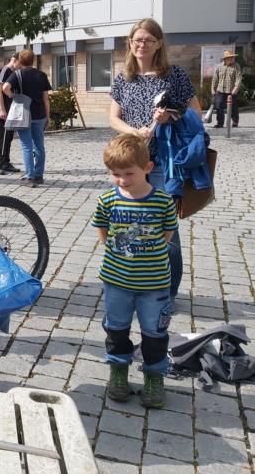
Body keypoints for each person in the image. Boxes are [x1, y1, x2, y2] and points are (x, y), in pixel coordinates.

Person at [108, 18, 201, 304]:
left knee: (165, 229)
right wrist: (134, 131)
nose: (142, 44)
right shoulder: (124, 77)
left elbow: (196, 114)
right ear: (130, 43)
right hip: (131, 162)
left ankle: (168, 294)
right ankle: (135, 284)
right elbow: (113, 118)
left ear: (159, 43)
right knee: (129, 224)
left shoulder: (173, 75)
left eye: (148, 39)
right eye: (137, 39)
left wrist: (171, 115)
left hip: (163, 163)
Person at [92, 134, 178, 409]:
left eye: (129, 173)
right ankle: (118, 371)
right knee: (116, 329)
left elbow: (168, 233)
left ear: (148, 168)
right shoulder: (108, 200)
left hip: (154, 283)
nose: (122, 180)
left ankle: (154, 376)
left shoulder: (162, 201)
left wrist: (149, 253)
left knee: (155, 332)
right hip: (117, 281)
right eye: (115, 174)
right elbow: (102, 230)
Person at [3, 49, 52, 188]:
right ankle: (39, 175)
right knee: (39, 146)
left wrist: (14, 96)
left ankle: (29, 175)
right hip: (39, 114)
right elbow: (46, 98)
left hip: (23, 114)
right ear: (33, 60)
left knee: (26, 146)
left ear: (20, 60)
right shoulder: (41, 75)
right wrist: (48, 115)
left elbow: (5, 87)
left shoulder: (17, 74)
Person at [0, 53, 21, 175]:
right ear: (14, 60)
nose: (21, 66)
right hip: (1, 109)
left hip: (10, 109)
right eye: (20, 62)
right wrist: (2, 109)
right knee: (3, 137)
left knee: (8, 137)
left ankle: (6, 162)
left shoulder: (13, 72)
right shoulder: (5, 70)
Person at [211, 49, 242, 128]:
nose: (232, 58)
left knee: (233, 107)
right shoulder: (219, 67)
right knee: (218, 106)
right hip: (220, 90)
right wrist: (213, 89)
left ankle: (235, 121)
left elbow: (238, 78)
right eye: (230, 57)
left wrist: (236, 87)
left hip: (231, 91)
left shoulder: (236, 66)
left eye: (232, 57)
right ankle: (220, 123)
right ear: (225, 59)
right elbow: (215, 79)